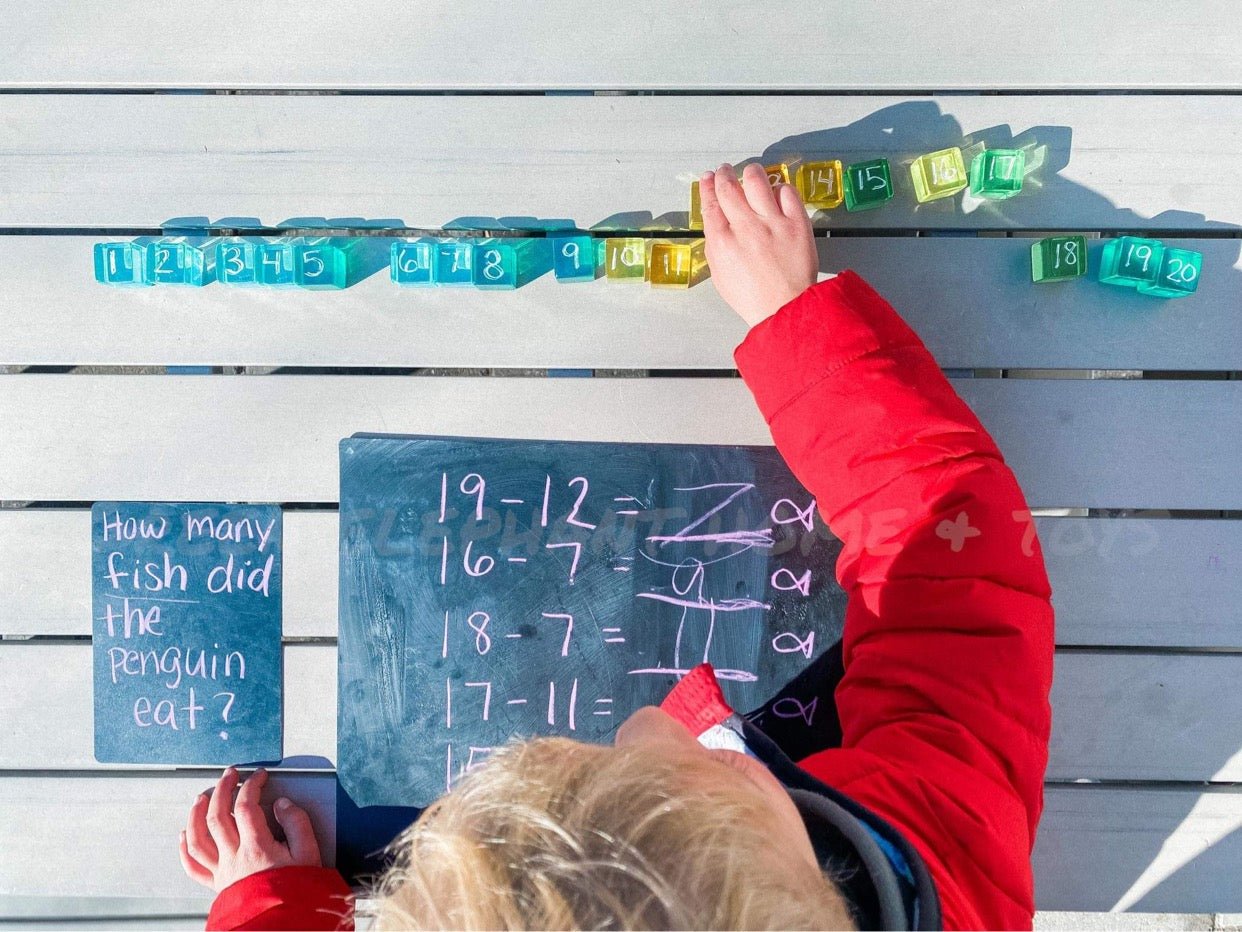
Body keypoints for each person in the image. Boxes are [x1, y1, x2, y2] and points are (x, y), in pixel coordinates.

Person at [181, 163, 1054, 931]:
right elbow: (956, 555)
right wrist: (799, 323)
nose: (643, 718)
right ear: (794, 842)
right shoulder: (941, 849)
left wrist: (274, 904)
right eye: (657, 758)